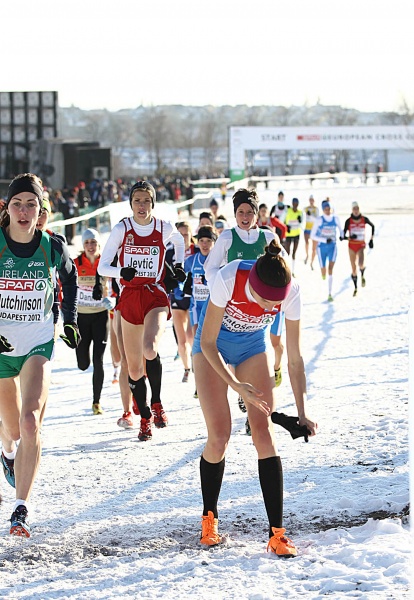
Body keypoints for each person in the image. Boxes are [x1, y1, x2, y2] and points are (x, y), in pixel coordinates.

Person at [193, 239, 317, 555]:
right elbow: (207, 343)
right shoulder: (230, 277)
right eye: (263, 300)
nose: (267, 308)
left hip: (251, 348)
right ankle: (209, 518)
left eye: (274, 304)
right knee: (219, 436)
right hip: (213, 348)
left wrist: (302, 412)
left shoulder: (291, 292)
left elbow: (294, 359)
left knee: (264, 433)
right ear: (252, 284)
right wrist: (236, 385)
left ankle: (277, 534)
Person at [0, 173, 79, 537]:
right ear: (8, 208)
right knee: (14, 430)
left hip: (37, 342)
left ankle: (21, 507)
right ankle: (7, 450)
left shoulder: (52, 246)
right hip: (2, 348)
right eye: (17, 204)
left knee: (31, 422)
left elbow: (71, 278)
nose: (24, 211)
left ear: (40, 209)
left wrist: (70, 320)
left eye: (31, 204)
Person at [98, 181, 185, 441]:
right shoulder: (122, 229)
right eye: (137, 200)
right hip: (129, 297)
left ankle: (157, 403)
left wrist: (179, 265)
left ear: (153, 203)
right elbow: (102, 266)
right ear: (131, 203)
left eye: (147, 200)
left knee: (150, 349)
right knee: (134, 369)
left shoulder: (163, 227)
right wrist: (120, 272)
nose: (142, 205)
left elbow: (179, 240)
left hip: (154, 294)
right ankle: (145, 417)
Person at [204, 188, 285, 434]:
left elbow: (285, 266)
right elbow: (210, 269)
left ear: (257, 214)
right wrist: (221, 293)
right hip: (235, 307)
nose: (245, 217)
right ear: (235, 214)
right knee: (238, 353)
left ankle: (255, 410)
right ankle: (243, 392)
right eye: (241, 212)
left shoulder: (268, 236)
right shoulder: (227, 237)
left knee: (265, 348)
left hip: (264, 306)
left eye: (250, 212)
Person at [74, 228, 112, 415]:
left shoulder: (105, 263)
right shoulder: (76, 263)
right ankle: (83, 359)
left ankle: (96, 401)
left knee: (99, 359)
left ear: (99, 244)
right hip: (81, 318)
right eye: (87, 242)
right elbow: (65, 286)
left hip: (100, 316)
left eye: (94, 242)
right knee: (83, 363)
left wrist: (111, 299)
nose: (90, 246)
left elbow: (115, 285)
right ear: (83, 245)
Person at [168, 221, 196, 383]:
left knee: (191, 336)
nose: (183, 238)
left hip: (192, 297)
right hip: (177, 297)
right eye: (180, 235)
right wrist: (171, 287)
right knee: (182, 339)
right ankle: (186, 368)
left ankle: (195, 361)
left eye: (186, 234)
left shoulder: (196, 250)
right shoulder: (170, 252)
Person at [311, 200, 344, 302]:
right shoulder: (319, 220)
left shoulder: (335, 218)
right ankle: (323, 274)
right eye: (325, 209)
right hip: (321, 248)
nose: (327, 211)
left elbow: (341, 230)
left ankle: (330, 293)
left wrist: (342, 236)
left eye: (329, 209)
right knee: (323, 270)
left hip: (332, 247)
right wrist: (324, 240)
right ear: (323, 210)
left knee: (330, 269)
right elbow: (313, 235)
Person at [343, 201, 375, 296]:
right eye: (354, 209)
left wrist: (371, 239)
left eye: (357, 208)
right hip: (352, 246)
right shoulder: (348, 221)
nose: (356, 211)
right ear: (352, 210)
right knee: (353, 268)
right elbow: (342, 235)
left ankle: (362, 274)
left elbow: (372, 226)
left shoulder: (364, 219)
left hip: (361, 246)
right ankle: (356, 288)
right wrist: (349, 237)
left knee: (361, 264)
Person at [283, 198, 303, 276]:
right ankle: (286, 269)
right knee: (287, 252)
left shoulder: (300, 212)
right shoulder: (288, 211)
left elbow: (302, 223)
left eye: (296, 204)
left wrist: (300, 221)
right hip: (288, 234)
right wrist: (286, 226)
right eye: (294, 203)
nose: (295, 205)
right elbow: (282, 220)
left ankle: (293, 271)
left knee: (294, 253)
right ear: (292, 203)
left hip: (296, 234)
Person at [303, 195, 319, 269]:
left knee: (314, 248)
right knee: (306, 243)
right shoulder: (306, 208)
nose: (311, 201)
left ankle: (312, 263)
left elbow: (317, 220)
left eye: (312, 200)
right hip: (307, 229)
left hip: (314, 230)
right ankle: (307, 255)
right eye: (310, 200)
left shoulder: (316, 209)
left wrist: (311, 215)